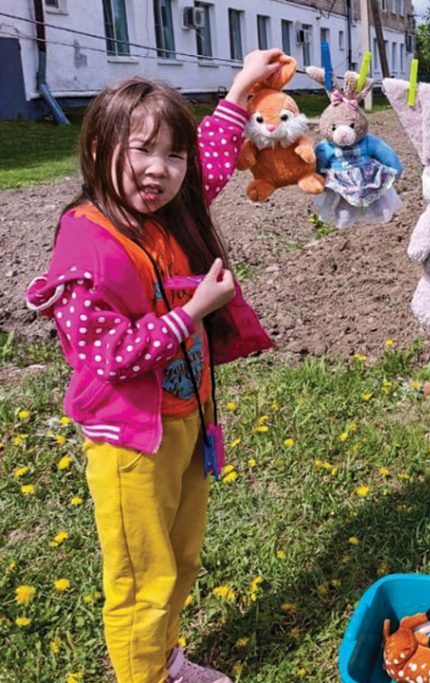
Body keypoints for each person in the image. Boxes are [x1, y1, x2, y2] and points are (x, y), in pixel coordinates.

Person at [24, 49, 281, 683]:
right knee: (142, 574)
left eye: (173, 155)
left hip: (181, 424)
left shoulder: (165, 212)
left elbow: (212, 161)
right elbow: (105, 357)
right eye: (141, 150)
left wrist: (243, 90)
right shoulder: (87, 241)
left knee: (181, 555)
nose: (159, 170)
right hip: (129, 443)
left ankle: (165, 663)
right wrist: (193, 312)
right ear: (96, 150)